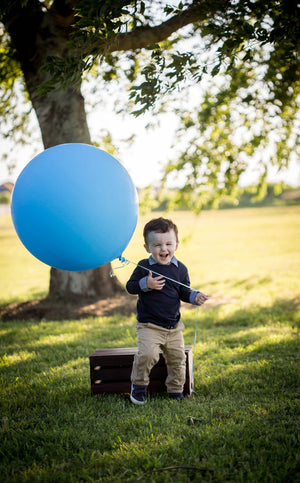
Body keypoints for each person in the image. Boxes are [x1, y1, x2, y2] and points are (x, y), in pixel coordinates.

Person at [126, 217, 208, 405]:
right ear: (147, 247)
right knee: (148, 355)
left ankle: (175, 389)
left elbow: (184, 291)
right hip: (149, 326)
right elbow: (130, 287)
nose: (164, 249)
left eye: (168, 244)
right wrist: (145, 283)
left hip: (173, 327)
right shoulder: (143, 267)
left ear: (176, 245)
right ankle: (138, 387)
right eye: (157, 245)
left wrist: (195, 297)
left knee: (178, 359)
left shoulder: (180, 269)